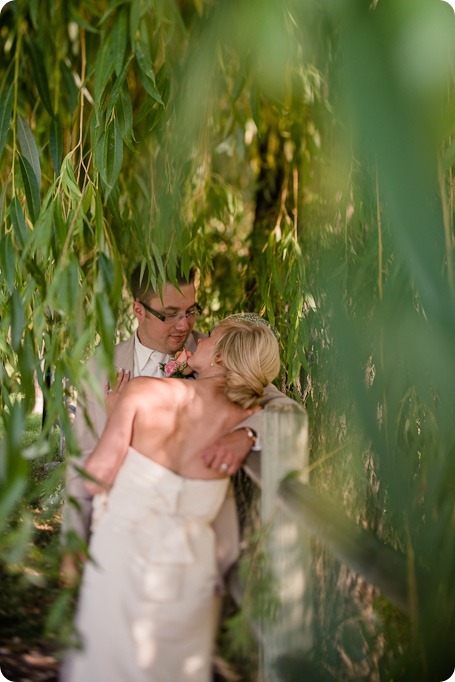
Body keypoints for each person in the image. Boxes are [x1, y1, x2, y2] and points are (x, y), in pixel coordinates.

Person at [62, 315, 281, 682]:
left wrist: (117, 416)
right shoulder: (247, 415)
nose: (199, 337)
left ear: (222, 358)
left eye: (211, 336)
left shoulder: (142, 393)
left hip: (121, 559)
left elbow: (96, 478)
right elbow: (285, 417)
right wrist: (246, 433)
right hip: (189, 573)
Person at [61, 262, 295, 582]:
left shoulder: (221, 355)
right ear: (138, 310)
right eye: (170, 314)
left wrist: (250, 433)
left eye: (191, 309)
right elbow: (84, 459)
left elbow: (286, 409)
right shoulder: (99, 370)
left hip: (201, 551)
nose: (185, 325)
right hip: (120, 547)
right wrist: (74, 543)